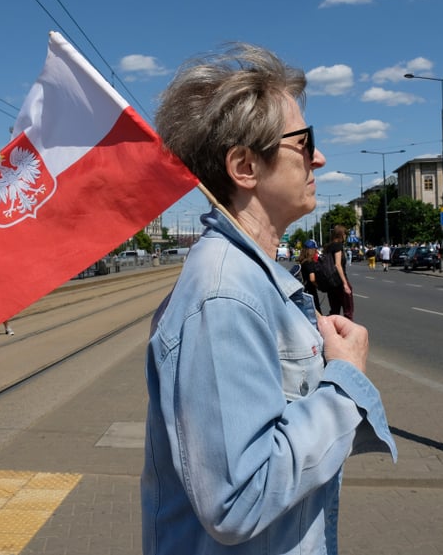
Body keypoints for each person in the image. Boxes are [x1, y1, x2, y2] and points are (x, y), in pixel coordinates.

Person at [143, 43, 396, 555]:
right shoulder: (224, 293)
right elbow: (239, 498)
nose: (318, 157)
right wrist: (346, 382)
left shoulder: (250, 279)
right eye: (304, 142)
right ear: (244, 166)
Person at [324, 225, 354, 320]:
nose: (345, 236)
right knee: (348, 310)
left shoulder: (328, 247)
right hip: (339, 281)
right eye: (345, 233)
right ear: (341, 234)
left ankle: (332, 331)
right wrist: (345, 283)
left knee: (334, 311)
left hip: (330, 282)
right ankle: (348, 330)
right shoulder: (338, 246)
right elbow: (338, 264)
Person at [298, 240, 320, 310]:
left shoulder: (302, 261)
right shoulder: (309, 262)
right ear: (311, 250)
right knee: (316, 311)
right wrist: (318, 286)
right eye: (315, 249)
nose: (316, 251)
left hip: (304, 289)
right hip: (311, 290)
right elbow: (312, 278)